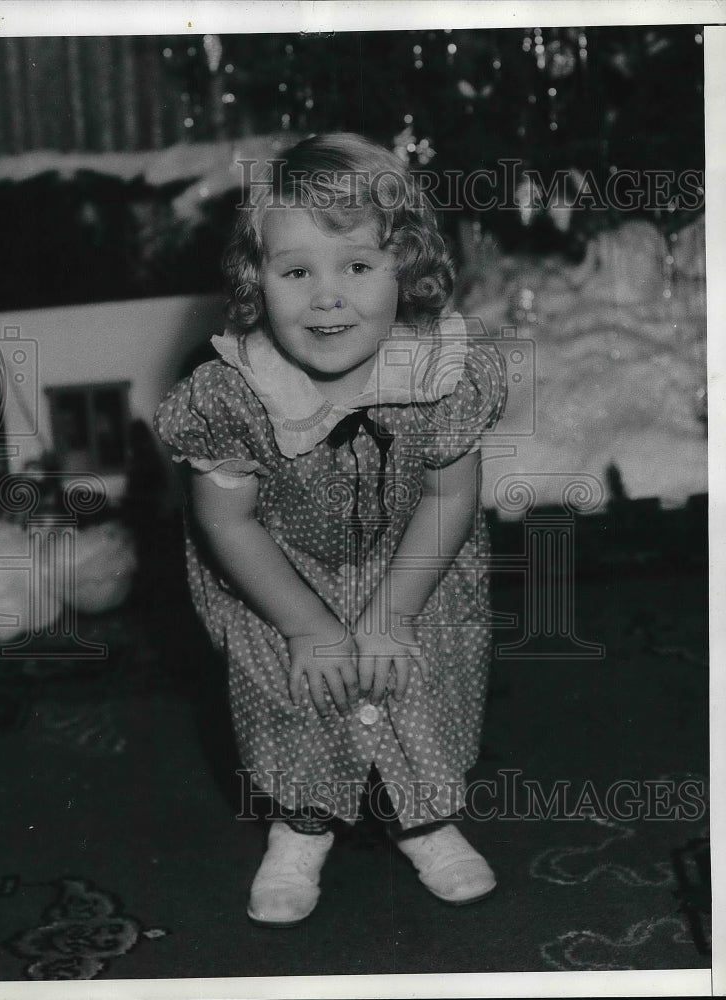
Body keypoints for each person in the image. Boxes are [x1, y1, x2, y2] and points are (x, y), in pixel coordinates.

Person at [154, 133, 507, 927]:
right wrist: (309, 626)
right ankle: (300, 825)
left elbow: (451, 500)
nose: (326, 297)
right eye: (295, 271)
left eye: (357, 266)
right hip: (280, 569)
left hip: (417, 554)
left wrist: (394, 611)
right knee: (292, 689)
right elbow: (226, 521)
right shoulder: (231, 396)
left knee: (419, 679)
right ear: (257, 279)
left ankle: (425, 814)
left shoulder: (444, 373)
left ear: (406, 269)